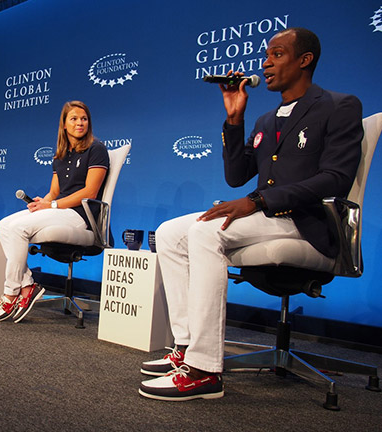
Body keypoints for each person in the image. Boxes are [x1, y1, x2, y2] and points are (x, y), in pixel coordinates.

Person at [139, 27, 363, 401]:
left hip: (306, 224)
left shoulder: (339, 105)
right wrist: (234, 119)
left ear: (304, 60)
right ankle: (187, 345)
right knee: (168, 233)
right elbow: (235, 177)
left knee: (206, 233)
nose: (265, 63)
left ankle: (204, 370)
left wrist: (258, 202)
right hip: (269, 219)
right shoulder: (265, 120)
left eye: (276, 54)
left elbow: (336, 179)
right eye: (266, 55)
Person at [0, 101, 110, 323]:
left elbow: (90, 192)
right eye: (73, 118)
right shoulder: (60, 155)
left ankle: (11, 292)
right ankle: (27, 285)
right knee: (3, 225)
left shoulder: (97, 149)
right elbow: (54, 192)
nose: (80, 123)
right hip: (61, 209)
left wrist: (51, 205)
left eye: (84, 118)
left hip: (81, 215)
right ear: (64, 124)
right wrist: (42, 203)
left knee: (18, 228)